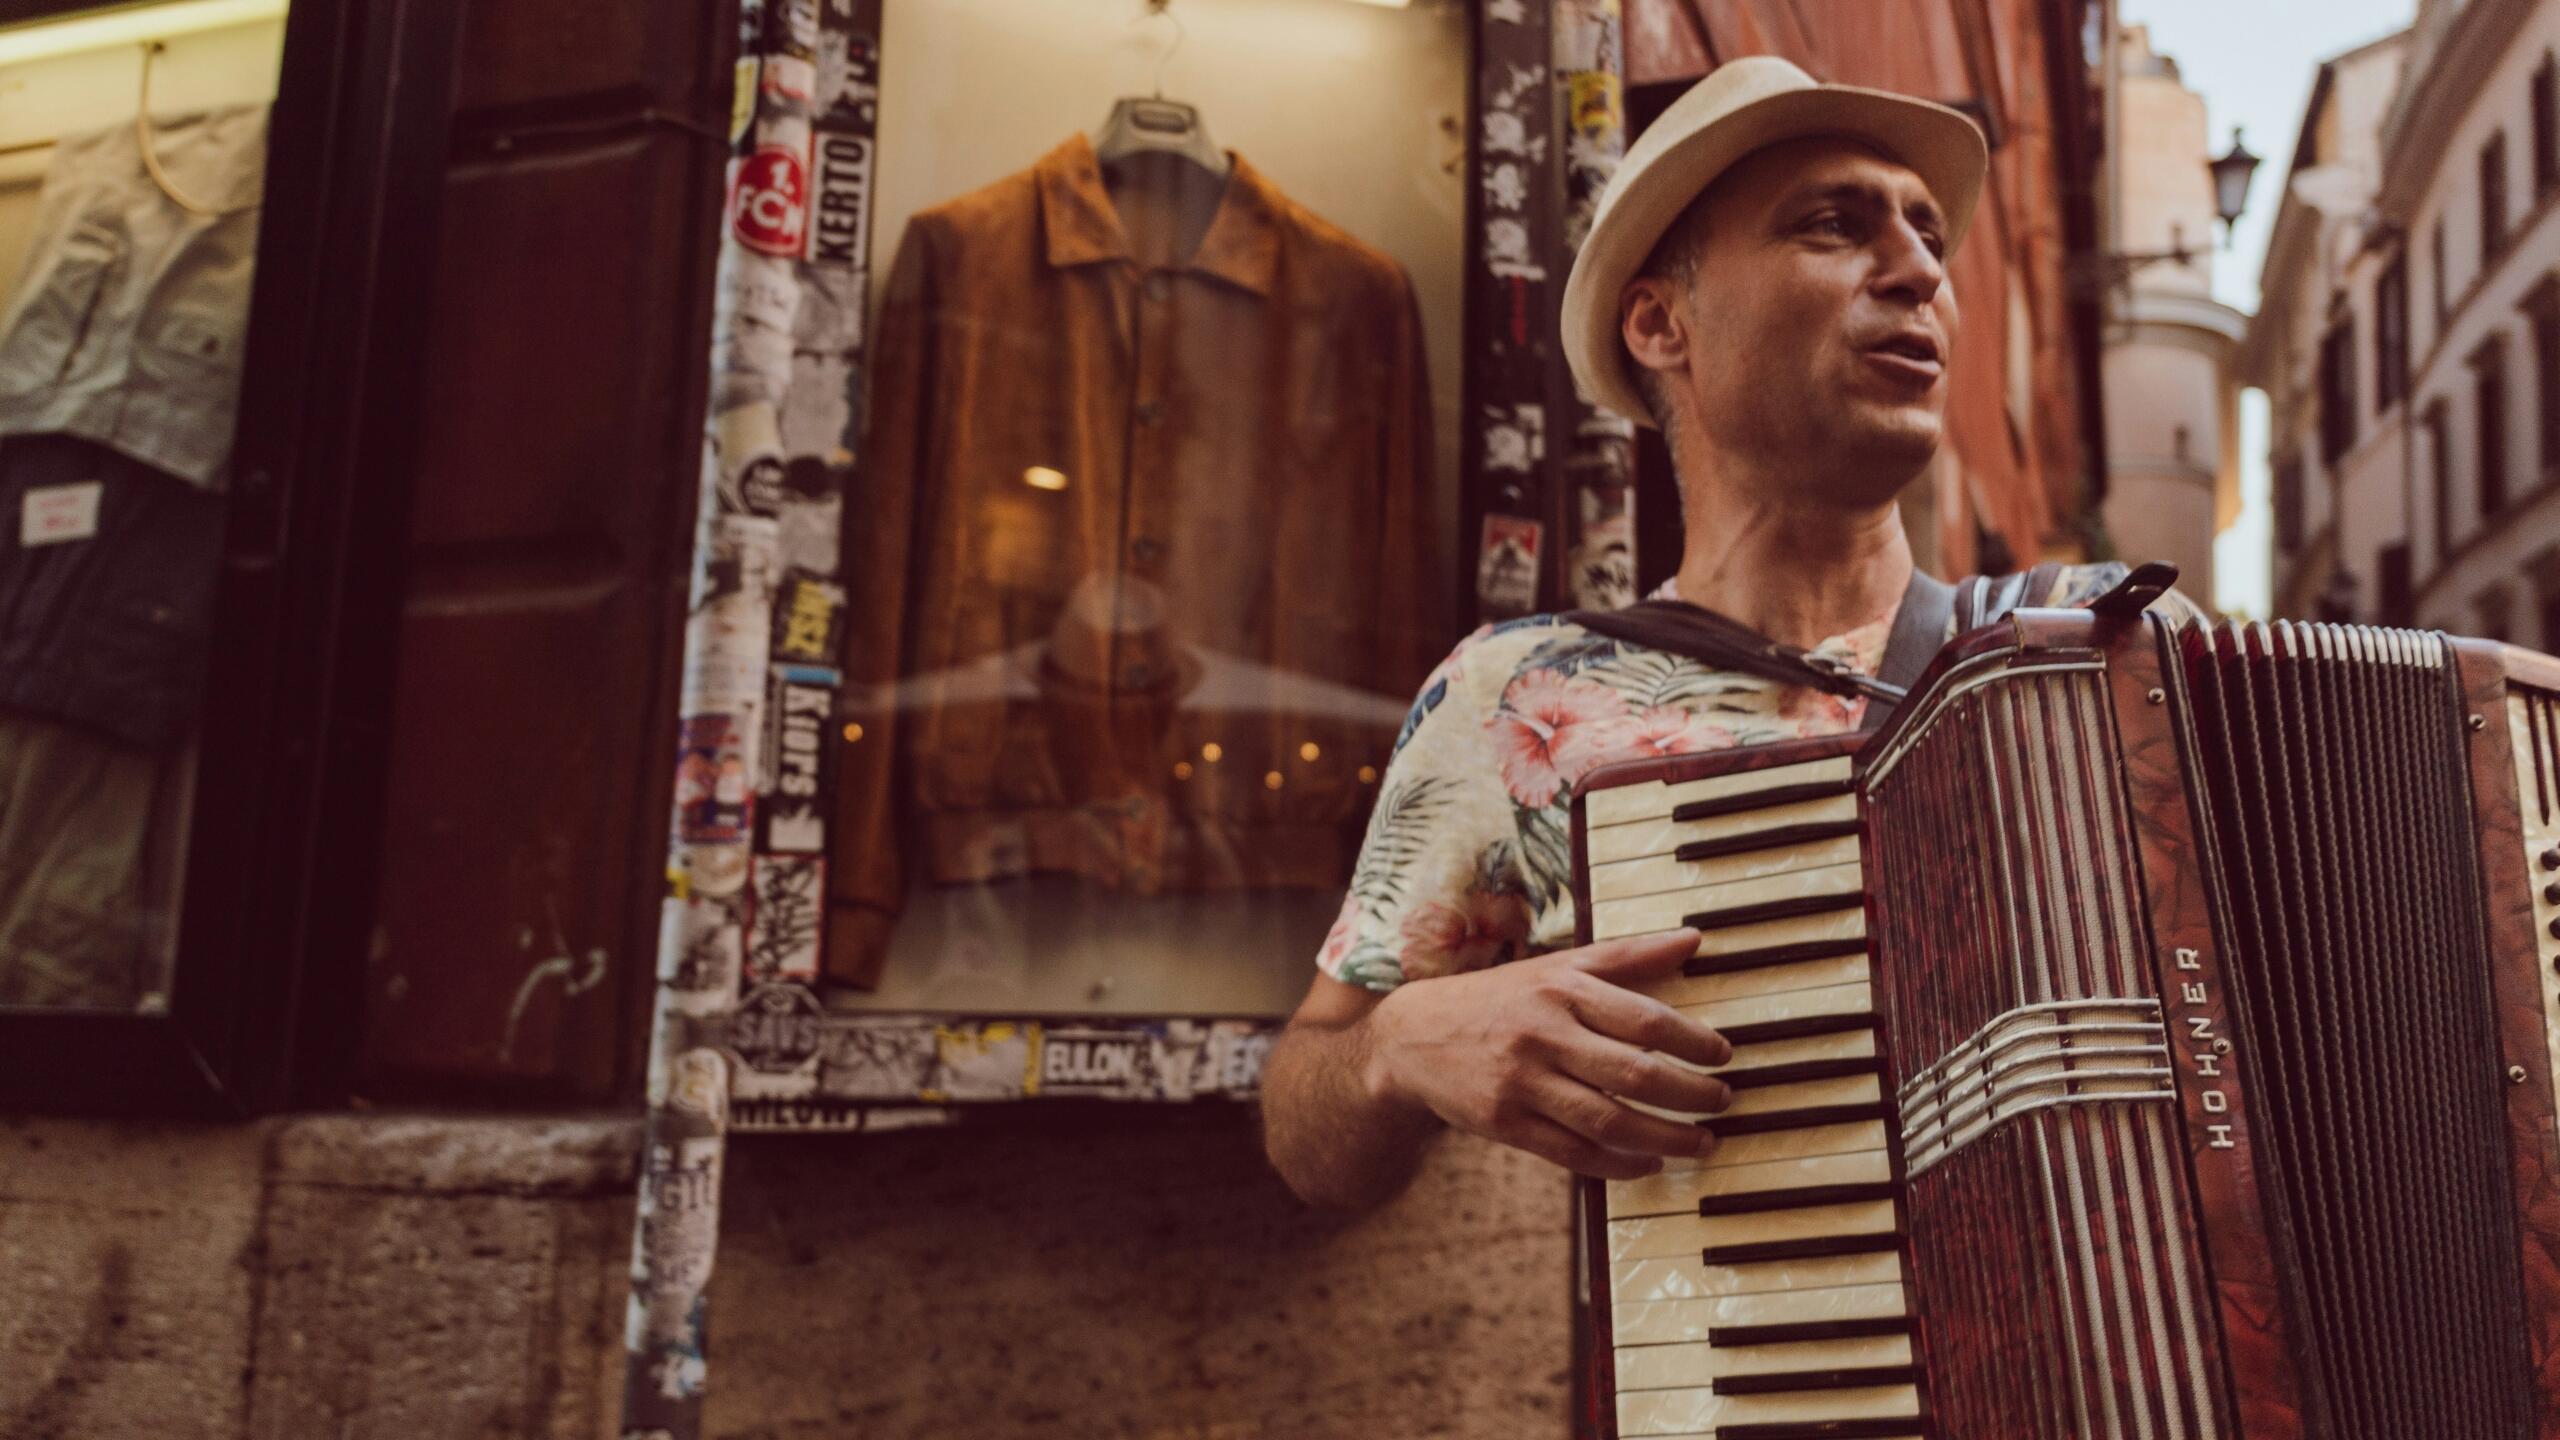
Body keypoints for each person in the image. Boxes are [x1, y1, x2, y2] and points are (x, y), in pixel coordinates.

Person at [1259, 57, 2195, 1210]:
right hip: (1772, 1377)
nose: (1916, 272)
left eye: (1930, 238)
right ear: (1660, 322)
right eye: (1832, 225)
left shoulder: (2108, 655)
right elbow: (1309, 1135)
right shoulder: (1518, 696)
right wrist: (1399, 1044)